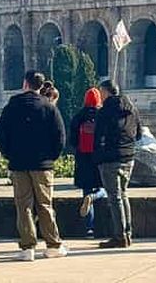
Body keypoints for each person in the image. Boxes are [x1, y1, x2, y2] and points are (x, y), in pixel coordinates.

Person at [0, 70, 67, 262]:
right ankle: (53, 244)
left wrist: (9, 155)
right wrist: (51, 157)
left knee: (23, 205)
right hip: (42, 164)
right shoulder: (49, 107)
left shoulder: (12, 106)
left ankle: (27, 247)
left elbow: (1, 136)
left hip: (19, 163)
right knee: (45, 205)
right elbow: (60, 137)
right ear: (40, 86)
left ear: (25, 84)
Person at [94, 79, 142, 249]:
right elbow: (139, 134)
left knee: (114, 198)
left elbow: (97, 136)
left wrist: (98, 156)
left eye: (101, 92)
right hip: (129, 157)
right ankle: (127, 233)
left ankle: (119, 236)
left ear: (106, 92)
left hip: (110, 158)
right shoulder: (132, 109)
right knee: (123, 195)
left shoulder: (104, 111)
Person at [69, 87, 107, 238]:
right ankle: (94, 197)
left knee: (86, 190)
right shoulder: (102, 116)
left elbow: (72, 140)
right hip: (99, 158)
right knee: (104, 188)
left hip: (83, 159)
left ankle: (89, 229)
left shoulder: (78, 116)